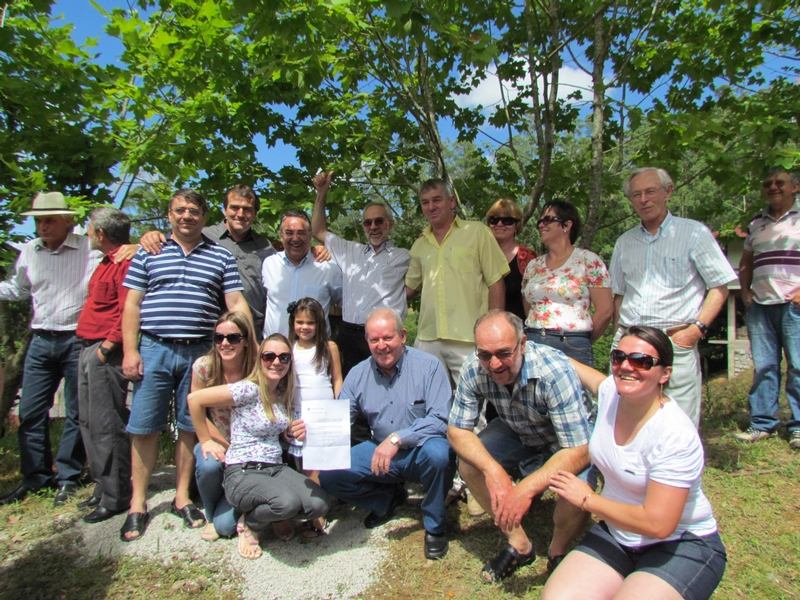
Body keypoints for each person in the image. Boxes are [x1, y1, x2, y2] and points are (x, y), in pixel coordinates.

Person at [543, 326, 727, 600]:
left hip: (680, 542)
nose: (626, 366)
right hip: (619, 534)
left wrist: (587, 500)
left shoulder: (674, 434)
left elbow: (658, 524)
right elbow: (590, 377)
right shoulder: (612, 393)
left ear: (665, 374)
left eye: (641, 361)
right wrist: (544, 351)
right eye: (619, 357)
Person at [120, 189, 252, 542]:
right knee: (144, 426)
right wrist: (130, 351)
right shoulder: (149, 251)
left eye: (194, 211)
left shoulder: (220, 256)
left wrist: (250, 342)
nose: (187, 216)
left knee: (189, 425)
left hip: (200, 352)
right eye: (180, 210)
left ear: (204, 218)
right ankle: (137, 503)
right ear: (169, 215)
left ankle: (182, 497)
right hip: (155, 347)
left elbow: (235, 301)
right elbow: (132, 304)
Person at [447, 310, 595, 582]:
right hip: (518, 429)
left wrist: (525, 489)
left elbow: (579, 450)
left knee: (577, 486)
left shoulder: (554, 370)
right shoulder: (473, 368)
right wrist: (493, 471)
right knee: (468, 464)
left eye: (504, 353)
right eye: (485, 354)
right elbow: (457, 431)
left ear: (523, 344)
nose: (494, 364)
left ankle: (558, 550)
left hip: (566, 440)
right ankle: (520, 545)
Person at [318, 308, 455, 560]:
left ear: (402, 336)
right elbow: (338, 419)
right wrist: (309, 430)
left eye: (388, 338)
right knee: (330, 475)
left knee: (440, 455)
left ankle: (435, 525)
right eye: (374, 340)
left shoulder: (429, 366)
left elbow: (440, 419)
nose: (381, 346)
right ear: (367, 341)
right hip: (380, 452)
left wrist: (397, 438)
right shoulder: (358, 374)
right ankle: (386, 499)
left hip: (420, 449)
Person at [610, 167, 737, 426]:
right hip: (630, 344)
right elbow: (619, 296)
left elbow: (720, 286)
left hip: (675, 341)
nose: (643, 199)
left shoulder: (694, 233)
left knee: (679, 422)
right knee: (627, 419)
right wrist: (618, 337)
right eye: (636, 194)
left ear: (668, 192)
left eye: (650, 191)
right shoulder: (624, 242)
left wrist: (695, 330)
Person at [188, 334, 331, 560]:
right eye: (269, 356)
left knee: (319, 504)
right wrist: (205, 440)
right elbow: (194, 400)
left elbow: (275, 430)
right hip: (244, 470)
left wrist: (289, 433)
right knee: (286, 503)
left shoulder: (282, 393)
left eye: (284, 357)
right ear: (260, 359)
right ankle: (251, 523)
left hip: (275, 468)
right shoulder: (248, 389)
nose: (276, 362)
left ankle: (273, 513)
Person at [0, 192, 100, 506]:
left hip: (77, 339)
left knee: (77, 412)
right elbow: (19, 289)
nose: (43, 226)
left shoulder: (90, 249)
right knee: (30, 411)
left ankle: (68, 477)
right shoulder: (30, 251)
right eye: (39, 221)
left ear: (67, 220)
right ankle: (36, 478)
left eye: (50, 220)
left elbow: (121, 256)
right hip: (41, 340)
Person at [139, 184, 330, 338]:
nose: (240, 213)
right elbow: (177, 239)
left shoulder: (265, 247)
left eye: (247, 209)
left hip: (254, 329)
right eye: (234, 207)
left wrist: (314, 250)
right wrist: (147, 240)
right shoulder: (204, 237)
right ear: (224, 210)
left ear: (255, 213)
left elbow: (291, 255)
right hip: (213, 330)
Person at [406, 178, 509, 385]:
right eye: (425, 202)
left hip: (469, 337)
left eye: (437, 200)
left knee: (476, 399)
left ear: (451, 201)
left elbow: (496, 281)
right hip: (428, 338)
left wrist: (493, 328)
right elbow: (408, 289)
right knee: (429, 398)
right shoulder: (419, 245)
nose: (431, 207)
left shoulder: (477, 232)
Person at [311, 170, 411, 376]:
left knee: (388, 386)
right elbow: (318, 230)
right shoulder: (349, 250)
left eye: (379, 221)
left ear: (390, 224)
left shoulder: (405, 256)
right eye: (368, 222)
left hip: (383, 336)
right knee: (349, 387)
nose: (373, 227)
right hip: (348, 335)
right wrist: (322, 193)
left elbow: (416, 285)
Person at [75, 208, 134, 523]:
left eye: (89, 228)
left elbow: (128, 309)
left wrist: (108, 346)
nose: (88, 233)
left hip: (105, 351)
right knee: (89, 422)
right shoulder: (105, 262)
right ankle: (102, 486)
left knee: (107, 425)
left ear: (100, 233)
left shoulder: (124, 263)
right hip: (88, 347)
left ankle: (116, 495)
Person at [735, 167, 800, 448]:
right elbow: (746, 262)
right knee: (764, 366)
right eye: (767, 183)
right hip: (761, 304)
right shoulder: (756, 223)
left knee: (798, 366)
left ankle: (798, 427)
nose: (773, 187)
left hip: (794, 304)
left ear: (795, 187)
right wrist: (746, 292)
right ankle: (762, 423)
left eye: (780, 182)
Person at [190, 311, 258, 542]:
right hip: (216, 439)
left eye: (233, 338)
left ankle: (237, 505)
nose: (225, 343)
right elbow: (198, 411)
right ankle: (211, 513)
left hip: (249, 447)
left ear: (246, 340)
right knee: (209, 464)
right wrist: (209, 441)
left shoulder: (257, 368)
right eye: (219, 338)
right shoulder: (204, 368)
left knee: (226, 527)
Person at [522, 200, 613, 367]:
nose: (541, 225)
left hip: (572, 344)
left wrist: (582, 340)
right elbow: (528, 306)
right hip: (533, 341)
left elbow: (605, 310)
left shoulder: (589, 261)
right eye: (540, 221)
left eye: (547, 219)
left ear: (567, 225)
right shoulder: (533, 265)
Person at [287, 297, 343, 490]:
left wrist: (338, 407)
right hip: (300, 414)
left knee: (326, 461)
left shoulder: (329, 347)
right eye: (300, 322)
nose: (305, 327)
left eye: (310, 323)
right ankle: (315, 502)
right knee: (307, 465)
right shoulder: (289, 348)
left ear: (320, 323)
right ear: (293, 322)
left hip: (325, 413)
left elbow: (337, 379)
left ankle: (326, 498)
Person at [261, 210, 343, 339]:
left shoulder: (327, 267)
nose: (295, 238)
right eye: (289, 233)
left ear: (310, 235)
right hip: (275, 349)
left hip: (315, 349)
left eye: (301, 233)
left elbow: (347, 302)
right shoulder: (269, 264)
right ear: (281, 236)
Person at [485, 198, 537, 321]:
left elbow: (534, 300)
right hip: (481, 326)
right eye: (494, 219)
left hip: (518, 328)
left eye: (507, 220)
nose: (499, 224)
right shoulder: (478, 255)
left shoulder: (528, 257)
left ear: (516, 226)